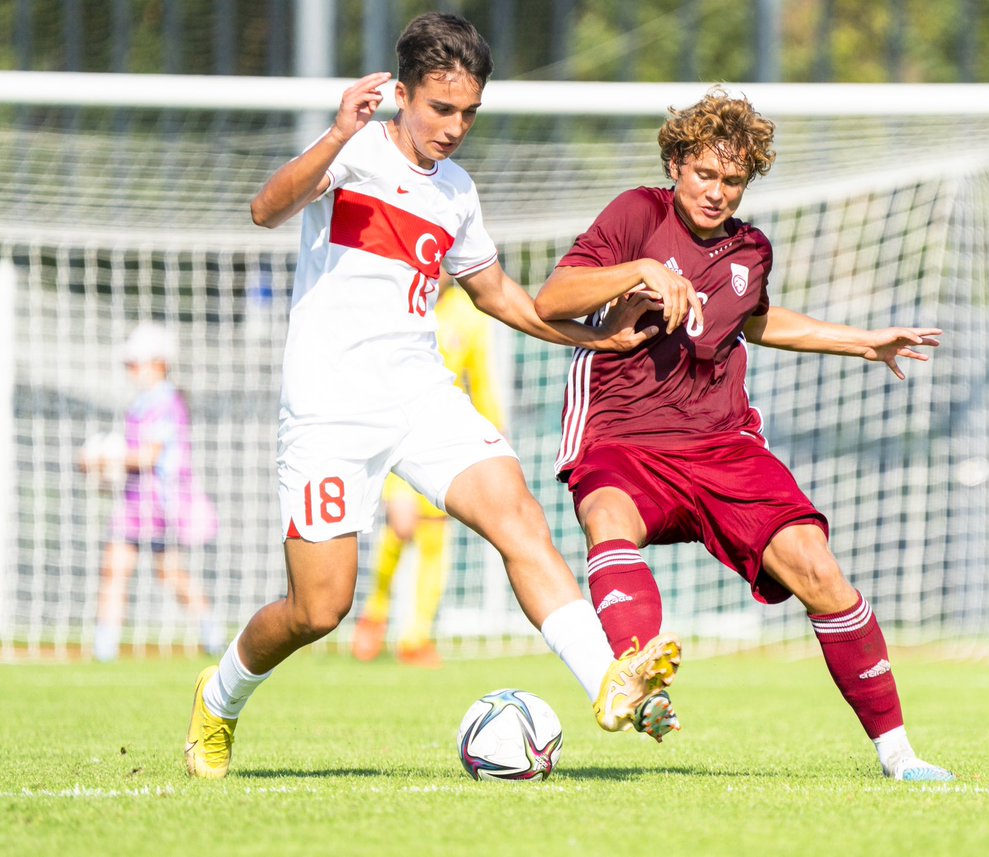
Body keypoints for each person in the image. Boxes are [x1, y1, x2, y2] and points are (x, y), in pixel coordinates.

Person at [185, 12, 680, 780]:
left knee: (518, 515)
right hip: (329, 408)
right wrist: (334, 132)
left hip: (420, 393)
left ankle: (608, 680)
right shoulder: (350, 155)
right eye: (441, 109)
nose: (455, 127)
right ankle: (218, 700)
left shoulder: (455, 194)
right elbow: (266, 208)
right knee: (319, 608)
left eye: (469, 113)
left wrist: (598, 338)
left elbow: (498, 296)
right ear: (404, 95)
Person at [533, 88, 955, 781]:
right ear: (676, 164)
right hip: (623, 436)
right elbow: (553, 298)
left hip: (722, 444)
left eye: (733, 181)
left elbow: (754, 320)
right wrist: (641, 270)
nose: (717, 192)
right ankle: (638, 673)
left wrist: (861, 342)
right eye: (705, 175)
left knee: (819, 568)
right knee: (608, 517)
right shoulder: (637, 213)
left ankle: (900, 755)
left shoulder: (750, 248)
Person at [351, 271, 503, 668]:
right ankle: (376, 612)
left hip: (443, 437)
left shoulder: (469, 316)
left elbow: (481, 379)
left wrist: (495, 430)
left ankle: (415, 638)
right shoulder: (398, 306)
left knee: (435, 538)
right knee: (400, 528)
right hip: (395, 433)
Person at [79, 321, 222, 661]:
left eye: (135, 363)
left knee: (170, 572)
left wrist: (104, 457)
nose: (130, 370)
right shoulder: (140, 405)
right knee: (114, 568)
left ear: (159, 363)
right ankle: (105, 647)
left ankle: (212, 633)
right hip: (132, 503)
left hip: (161, 505)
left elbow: (150, 455)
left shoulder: (168, 404)